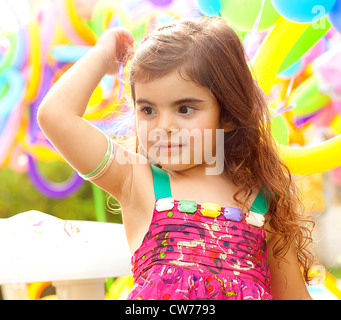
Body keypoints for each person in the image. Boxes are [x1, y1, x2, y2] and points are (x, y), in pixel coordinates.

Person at [38, 16, 315, 300]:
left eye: (184, 109)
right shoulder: (137, 180)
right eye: (148, 110)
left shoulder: (261, 201)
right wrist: (103, 53)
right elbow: (55, 116)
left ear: (228, 115)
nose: (163, 126)